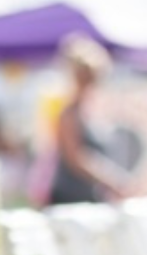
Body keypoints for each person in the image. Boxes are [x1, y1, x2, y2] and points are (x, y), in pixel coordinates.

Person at [48, 34, 133, 206]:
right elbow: (76, 158)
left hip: (91, 197)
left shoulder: (94, 112)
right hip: (71, 199)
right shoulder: (69, 114)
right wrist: (113, 180)